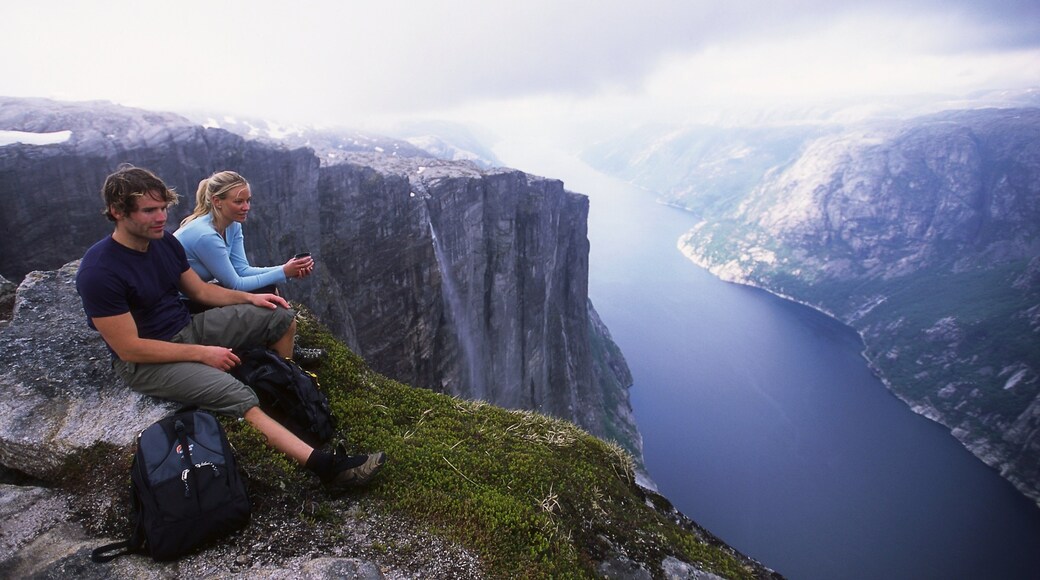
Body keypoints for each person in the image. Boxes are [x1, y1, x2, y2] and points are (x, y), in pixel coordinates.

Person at [76, 164, 384, 488]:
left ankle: (286, 389)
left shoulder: (163, 243)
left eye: (163, 208)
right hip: (148, 361)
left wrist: (251, 300)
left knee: (279, 316)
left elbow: (200, 291)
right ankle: (328, 470)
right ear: (116, 212)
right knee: (238, 395)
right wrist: (203, 355)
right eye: (149, 210)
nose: (161, 217)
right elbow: (129, 348)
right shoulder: (100, 271)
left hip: (188, 327)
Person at [174, 170, 314, 293]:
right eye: (239, 202)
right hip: (177, 301)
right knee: (270, 298)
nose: (246, 207)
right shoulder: (205, 235)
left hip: (196, 293)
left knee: (269, 290)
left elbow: (242, 270)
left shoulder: (233, 226)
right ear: (217, 201)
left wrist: (288, 268)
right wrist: (284, 272)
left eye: (248, 200)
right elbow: (235, 285)